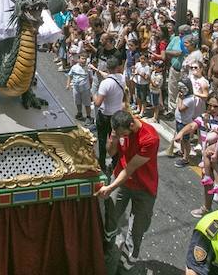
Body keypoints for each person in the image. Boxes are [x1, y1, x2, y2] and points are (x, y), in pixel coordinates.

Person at [96, 110, 159, 271]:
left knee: (136, 230)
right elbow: (111, 152)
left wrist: (110, 187)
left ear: (131, 125)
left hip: (144, 188)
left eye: (121, 133)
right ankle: (107, 250)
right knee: (111, 218)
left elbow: (129, 168)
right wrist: (114, 139)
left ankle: (126, 265)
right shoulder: (119, 129)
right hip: (123, 184)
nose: (119, 135)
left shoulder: (150, 139)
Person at [90, 57, 126, 171]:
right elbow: (109, 75)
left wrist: (93, 93)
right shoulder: (122, 78)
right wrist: (97, 70)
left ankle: (102, 164)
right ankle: (116, 163)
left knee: (102, 140)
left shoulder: (105, 84)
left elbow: (97, 103)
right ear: (118, 67)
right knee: (115, 140)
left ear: (107, 68)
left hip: (105, 115)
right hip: (117, 115)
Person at [65, 53, 92, 122]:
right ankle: (79, 113)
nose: (84, 60)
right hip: (76, 88)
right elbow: (70, 75)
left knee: (87, 103)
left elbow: (90, 78)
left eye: (85, 59)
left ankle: (88, 116)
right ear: (78, 59)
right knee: (78, 102)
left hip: (85, 89)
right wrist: (68, 84)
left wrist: (90, 88)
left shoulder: (88, 68)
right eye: (82, 59)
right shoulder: (74, 67)